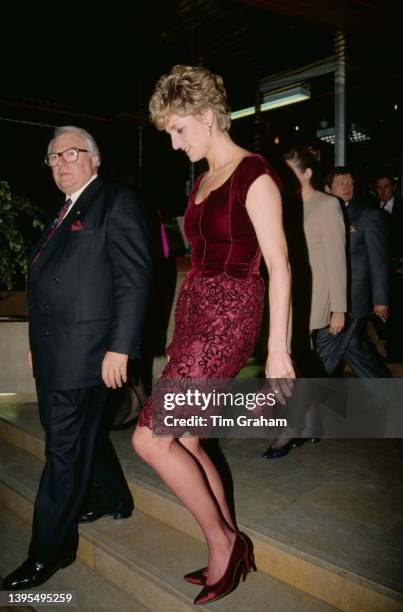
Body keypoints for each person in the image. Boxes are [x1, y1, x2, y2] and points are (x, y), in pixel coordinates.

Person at [132, 65, 295, 606]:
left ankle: (223, 541)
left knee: (151, 438)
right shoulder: (203, 179)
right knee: (189, 439)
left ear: (207, 116)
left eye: (179, 130)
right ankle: (233, 539)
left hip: (231, 314)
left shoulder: (257, 175)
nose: (176, 145)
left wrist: (277, 351)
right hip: (196, 310)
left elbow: (280, 265)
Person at [3, 126, 151, 590]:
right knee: (76, 436)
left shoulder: (115, 202)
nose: (62, 163)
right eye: (53, 157)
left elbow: (134, 280)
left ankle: (50, 552)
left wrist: (121, 347)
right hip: (55, 351)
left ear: (94, 159)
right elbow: (48, 285)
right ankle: (114, 499)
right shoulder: (61, 211)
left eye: (72, 153)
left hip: (90, 355)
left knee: (62, 452)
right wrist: (36, 339)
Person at [263, 146, 347, 459]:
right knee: (300, 360)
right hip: (289, 294)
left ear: (308, 173)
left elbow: (338, 259)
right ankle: (310, 422)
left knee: (292, 360)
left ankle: (291, 428)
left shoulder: (328, 205)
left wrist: (339, 307)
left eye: (292, 171)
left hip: (315, 296)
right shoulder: (284, 205)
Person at [320, 167, 390, 377]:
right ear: (327, 188)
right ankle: (392, 398)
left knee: (324, 356)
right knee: (356, 351)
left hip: (353, 299)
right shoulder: (324, 215)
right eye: (341, 183)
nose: (347, 187)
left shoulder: (368, 215)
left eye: (350, 182)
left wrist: (381, 299)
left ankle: (300, 401)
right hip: (329, 298)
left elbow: (378, 259)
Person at [374, 173, 403, 362]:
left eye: (386, 187)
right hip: (379, 270)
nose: (383, 191)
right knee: (380, 313)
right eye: (379, 187)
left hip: (399, 269)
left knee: (397, 312)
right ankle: (389, 346)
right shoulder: (371, 209)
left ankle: (395, 353)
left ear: (393, 188)